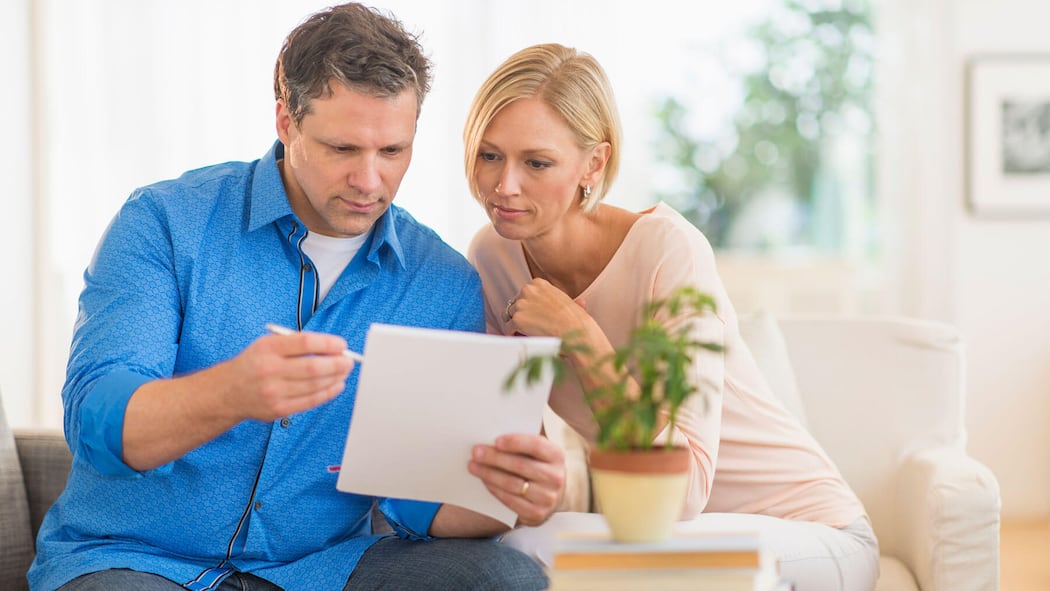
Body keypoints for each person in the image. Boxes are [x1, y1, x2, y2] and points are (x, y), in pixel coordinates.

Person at [28, 5, 566, 591]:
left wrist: (513, 502)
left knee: (504, 577)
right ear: (286, 120)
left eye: (392, 152)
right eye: (342, 149)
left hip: (317, 572)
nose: (369, 181)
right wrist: (231, 393)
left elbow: (415, 507)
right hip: (135, 560)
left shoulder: (441, 283)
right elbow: (99, 427)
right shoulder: (164, 222)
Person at [463, 43, 880, 591]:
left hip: (806, 531)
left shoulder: (668, 249)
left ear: (594, 162)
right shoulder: (492, 256)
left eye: (536, 163)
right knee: (513, 548)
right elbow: (518, 476)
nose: (504, 185)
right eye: (490, 154)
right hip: (653, 531)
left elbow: (685, 494)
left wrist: (579, 335)